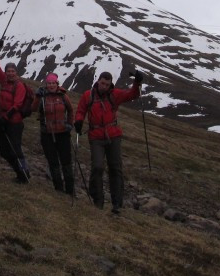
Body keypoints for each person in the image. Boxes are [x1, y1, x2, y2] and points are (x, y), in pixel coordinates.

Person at [74, 70, 144, 213]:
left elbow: (132, 94)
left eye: (107, 84)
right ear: (98, 81)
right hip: (96, 136)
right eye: (102, 83)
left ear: (110, 84)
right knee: (97, 167)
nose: (104, 86)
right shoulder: (88, 95)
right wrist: (79, 121)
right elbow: (81, 110)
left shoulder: (115, 94)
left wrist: (137, 82)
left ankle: (117, 203)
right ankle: (98, 200)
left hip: (113, 135)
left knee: (115, 168)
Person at [0, 41, 30, 183]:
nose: (10, 73)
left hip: (14, 122)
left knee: (16, 149)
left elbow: (18, 104)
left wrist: (5, 117)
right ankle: (19, 171)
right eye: (8, 71)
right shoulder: (4, 81)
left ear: (16, 73)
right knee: (3, 151)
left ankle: (23, 173)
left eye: (13, 71)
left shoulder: (20, 86)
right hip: (3, 121)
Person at [36, 73, 74, 195]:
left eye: (53, 83)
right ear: (46, 84)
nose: (51, 85)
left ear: (57, 84)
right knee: (53, 162)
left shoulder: (63, 96)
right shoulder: (42, 97)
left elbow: (71, 110)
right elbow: (33, 108)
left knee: (66, 162)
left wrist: (70, 124)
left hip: (63, 133)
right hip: (47, 134)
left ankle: (70, 191)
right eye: (49, 83)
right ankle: (59, 189)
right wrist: (37, 96)